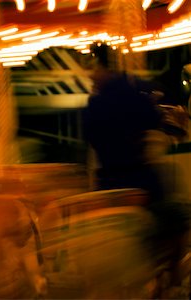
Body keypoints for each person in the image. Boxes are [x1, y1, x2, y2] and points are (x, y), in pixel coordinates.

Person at [82, 43, 189, 286]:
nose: (90, 75)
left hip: (108, 186)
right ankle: (171, 276)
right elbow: (159, 121)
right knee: (175, 218)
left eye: (93, 68)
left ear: (103, 68)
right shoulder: (135, 92)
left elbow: (91, 136)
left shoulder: (95, 104)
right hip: (140, 182)